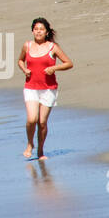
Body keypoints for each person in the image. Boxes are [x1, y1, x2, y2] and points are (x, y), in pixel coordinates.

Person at [17, 18, 72, 160]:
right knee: (31, 119)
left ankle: (40, 151)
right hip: (31, 87)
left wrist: (54, 67)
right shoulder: (27, 46)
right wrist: (24, 69)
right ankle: (30, 144)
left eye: (41, 29)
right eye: (36, 29)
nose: (38, 31)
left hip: (48, 88)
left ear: (46, 32)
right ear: (32, 31)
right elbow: (20, 60)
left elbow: (68, 63)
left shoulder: (52, 47)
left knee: (42, 122)